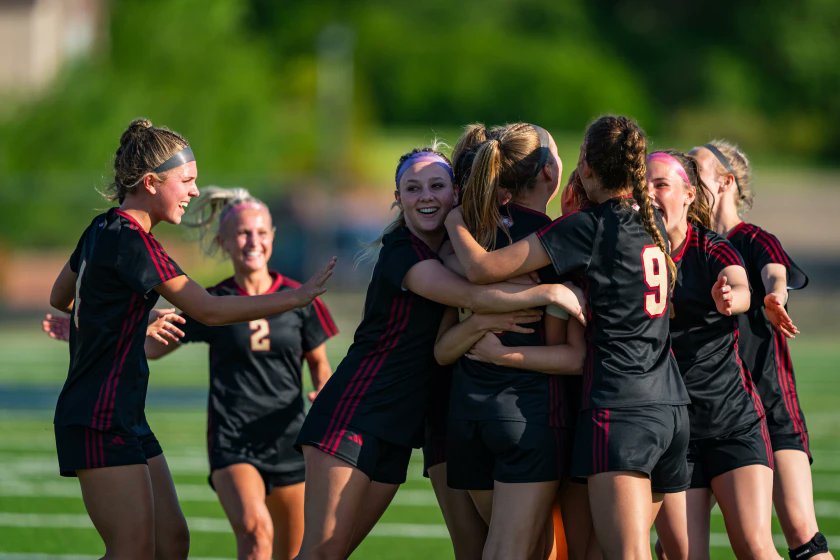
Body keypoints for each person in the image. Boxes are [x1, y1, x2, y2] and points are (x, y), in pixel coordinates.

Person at [48, 118, 335, 560]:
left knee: (172, 542)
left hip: (123, 415)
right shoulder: (133, 242)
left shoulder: (102, 230)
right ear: (150, 182)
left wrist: (131, 319)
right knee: (131, 551)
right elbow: (210, 310)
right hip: (97, 416)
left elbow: (62, 296)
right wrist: (296, 297)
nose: (195, 192)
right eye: (187, 181)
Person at [293, 145, 585, 560]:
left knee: (333, 553)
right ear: (398, 198)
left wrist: (482, 318)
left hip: (398, 427)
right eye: (412, 188)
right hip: (354, 412)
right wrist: (550, 291)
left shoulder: (451, 251)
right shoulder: (403, 252)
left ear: (455, 192)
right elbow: (470, 293)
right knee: (321, 553)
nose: (425, 196)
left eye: (436, 186)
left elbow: (471, 296)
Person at [444, 115, 691, 560]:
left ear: (588, 168)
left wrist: (454, 222)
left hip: (621, 411)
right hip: (671, 409)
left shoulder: (585, 228)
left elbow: (482, 268)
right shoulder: (650, 219)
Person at [434, 122, 588, 560]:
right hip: (528, 416)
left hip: (465, 416)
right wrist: (505, 354)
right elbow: (574, 357)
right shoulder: (561, 240)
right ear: (546, 173)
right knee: (513, 552)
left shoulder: (467, 239)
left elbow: (443, 346)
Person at [690, 141, 830, 559]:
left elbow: (775, 270)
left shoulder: (752, 238)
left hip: (771, 404)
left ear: (725, 181)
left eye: (694, 170)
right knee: (676, 544)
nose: (686, 176)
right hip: (716, 410)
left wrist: (774, 296)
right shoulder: (692, 246)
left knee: (802, 534)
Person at [645, 150, 777, 559]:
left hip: (730, 420)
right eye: (644, 185)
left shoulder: (710, 246)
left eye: (660, 185)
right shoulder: (636, 250)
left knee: (755, 547)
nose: (649, 193)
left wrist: (731, 297)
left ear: (687, 194)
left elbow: (739, 284)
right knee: (684, 554)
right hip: (673, 432)